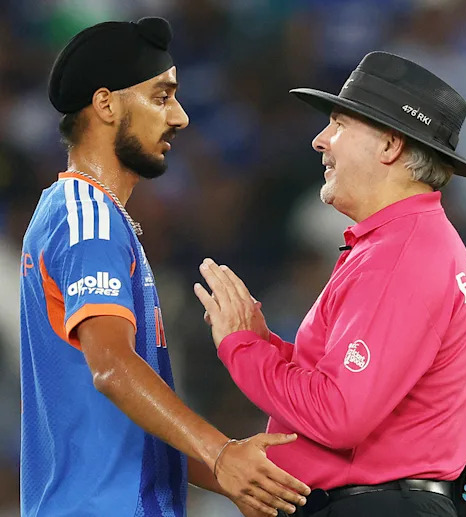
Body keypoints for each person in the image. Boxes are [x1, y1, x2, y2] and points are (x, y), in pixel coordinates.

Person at [19, 17, 311, 517]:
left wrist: (238, 473)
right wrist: (219, 453)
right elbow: (113, 369)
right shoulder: (86, 217)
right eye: (161, 96)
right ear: (106, 103)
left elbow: (135, 418)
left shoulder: (92, 215)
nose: (180, 117)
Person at [193, 51, 466, 517]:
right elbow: (345, 386)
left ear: (390, 146)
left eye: (340, 125)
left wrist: (243, 347)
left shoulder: (402, 256)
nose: (320, 140)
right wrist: (266, 343)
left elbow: (339, 414)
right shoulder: (405, 242)